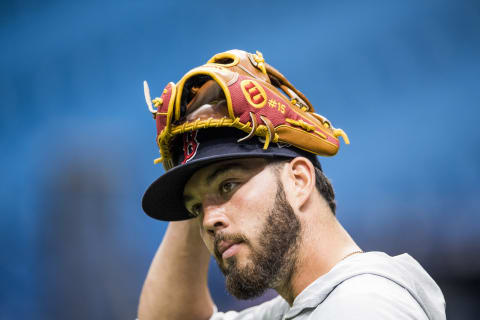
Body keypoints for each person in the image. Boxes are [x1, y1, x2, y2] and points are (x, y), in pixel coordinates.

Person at [137, 50, 446, 320]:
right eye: (195, 207)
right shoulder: (309, 304)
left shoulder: (360, 307)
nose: (207, 220)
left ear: (299, 180)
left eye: (228, 185)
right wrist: (191, 168)